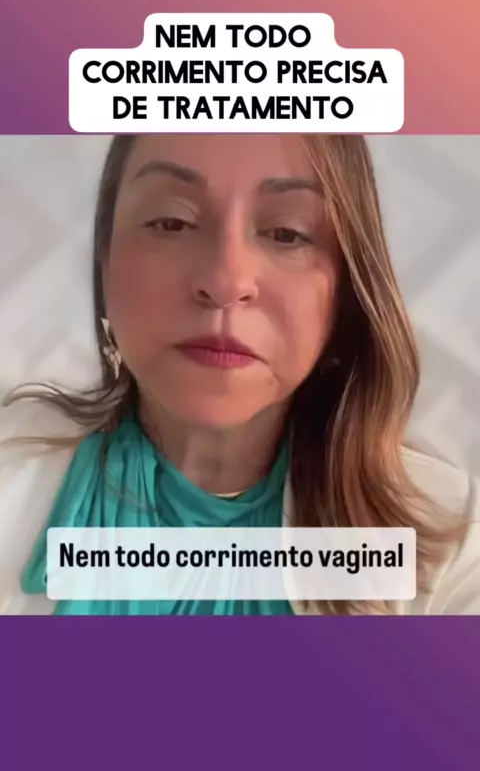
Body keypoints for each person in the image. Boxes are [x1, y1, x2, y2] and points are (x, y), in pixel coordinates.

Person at [0, 133, 478, 616]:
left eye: (287, 233)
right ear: (105, 260)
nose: (225, 282)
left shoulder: (456, 547)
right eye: (172, 222)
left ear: (347, 292)